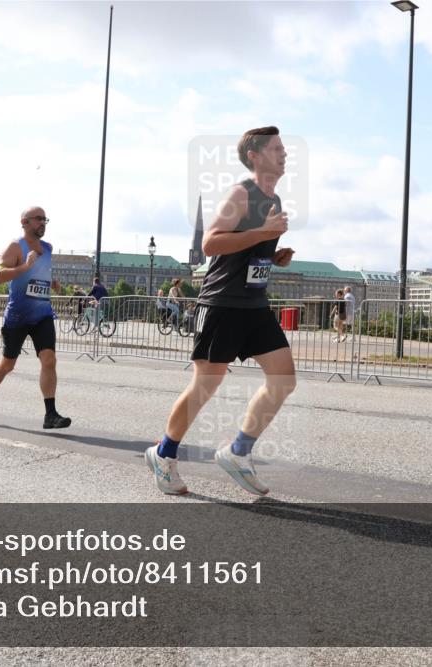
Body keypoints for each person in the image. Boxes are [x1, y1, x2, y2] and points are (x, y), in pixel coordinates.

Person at [146, 126, 296, 496]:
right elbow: (211, 242)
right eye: (277, 148)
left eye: (284, 148)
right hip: (222, 304)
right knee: (205, 385)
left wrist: (273, 257)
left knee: (284, 380)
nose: (285, 153)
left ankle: (238, 451)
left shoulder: (273, 200)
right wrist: (262, 234)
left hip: (255, 305)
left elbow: (246, 250)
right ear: (255, 156)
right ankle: (163, 455)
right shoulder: (240, 194)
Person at [0, 206, 70, 430]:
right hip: (18, 316)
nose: (42, 223)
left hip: (42, 315)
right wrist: (24, 265)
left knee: (49, 360)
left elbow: (39, 275)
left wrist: (52, 282)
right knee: (8, 364)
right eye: (38, 219)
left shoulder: (47, 248)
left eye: (45, 219)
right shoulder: (15, 246)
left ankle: (50, 414)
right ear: (24, 222)